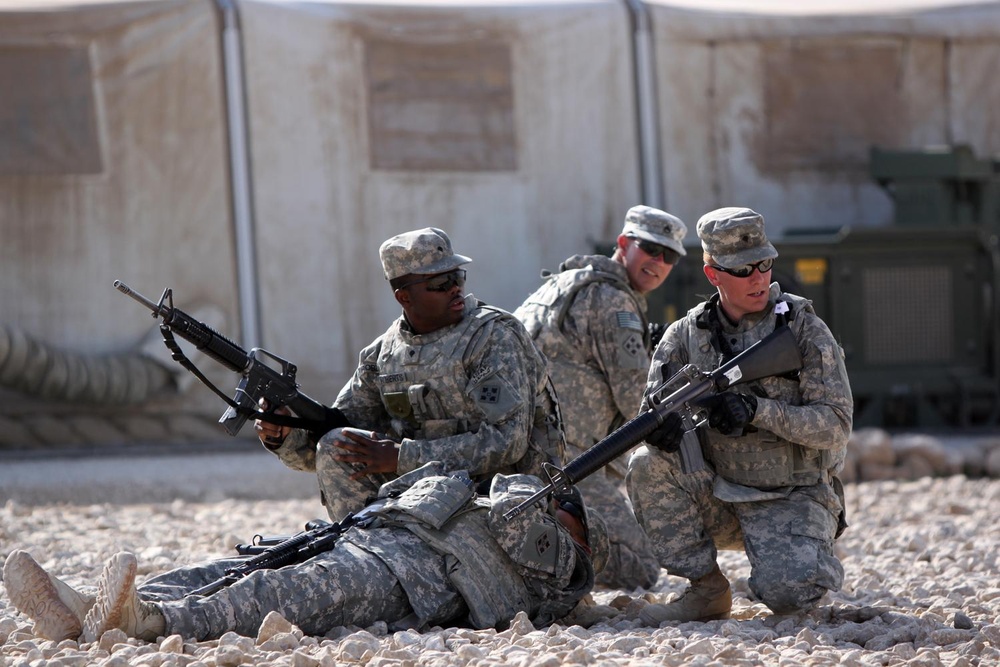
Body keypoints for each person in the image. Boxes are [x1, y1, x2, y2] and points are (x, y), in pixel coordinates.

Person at [3, 462, 608, 643]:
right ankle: (85, 609)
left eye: (563, 507)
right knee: (234, 566)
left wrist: (546, 509)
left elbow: (563, 571)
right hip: (372, 535)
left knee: (278, 593)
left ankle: (151, 621)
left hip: (414, 576)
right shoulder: (483, 494)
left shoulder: (559, 566)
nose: (546, 502)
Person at [626, 206, 853, 624]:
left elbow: (836, 425)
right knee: (645, 464)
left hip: (791, 495)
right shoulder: (684, 336)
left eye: (764, 264)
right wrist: (661, 433)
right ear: (713, 275)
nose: (759, 278)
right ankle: (707, 590)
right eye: (743, 269)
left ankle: (803, 549)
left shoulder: (802, 330)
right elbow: (649, 413)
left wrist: (757, 411)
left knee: (789, 595)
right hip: (720, 493)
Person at [256, 227, 565, 522]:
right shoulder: (382, 356)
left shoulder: (493, 337)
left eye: (457, 276)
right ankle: (368, 548)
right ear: (404, 297)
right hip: (425, 495)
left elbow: (508, 442)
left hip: (503, 499)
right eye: (440, 283)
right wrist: (285, 434)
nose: (455, 287)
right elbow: (343, 445)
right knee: (336, 443)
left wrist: (404, 457)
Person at [513, 205, 687, 590]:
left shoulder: (566, 282)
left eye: (669, 256)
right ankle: (542, 542)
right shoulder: (613, 302)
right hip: (564, 462)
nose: (658, 262)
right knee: (642, 566)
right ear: (623, 244)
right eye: (650, 249)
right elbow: (638, 402)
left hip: (520, 448)